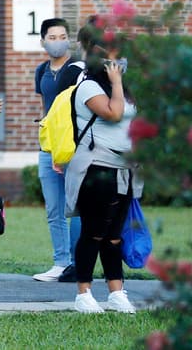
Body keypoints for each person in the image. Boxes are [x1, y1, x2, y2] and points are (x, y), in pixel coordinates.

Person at [66, 34, 141, 314]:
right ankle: (83, 293)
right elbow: (113, 113)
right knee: (93, 233)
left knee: (114, 236)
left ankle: (116, 291)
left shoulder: (125, 89)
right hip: (96, 169)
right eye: (113, 57)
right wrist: (118, 83)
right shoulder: (88, 87)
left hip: (125, 170)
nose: (119, 62)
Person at [33, 17, 85, 282]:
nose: (58, 42)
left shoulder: (78, 69)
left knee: (74, 205)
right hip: (48, 146)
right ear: (43, 41)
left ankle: (77, 263)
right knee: (54, 208)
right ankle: (60, 261)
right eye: (52, 37)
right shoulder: (41, 71)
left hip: (73, 146)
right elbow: (45, 107)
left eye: (62, 36)